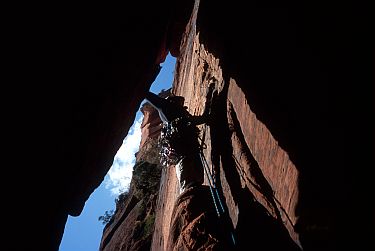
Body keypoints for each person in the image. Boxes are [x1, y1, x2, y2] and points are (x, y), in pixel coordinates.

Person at [145, 84, 214, 193]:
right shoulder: (165, 107)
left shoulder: (183, 115)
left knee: (196, 180)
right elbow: (151, 97)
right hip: (183, 150)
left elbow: (199, 120)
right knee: (190, 183)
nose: (182, 104)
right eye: (180, 102)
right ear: (173, 101)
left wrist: (209, 98)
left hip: (190, 148)